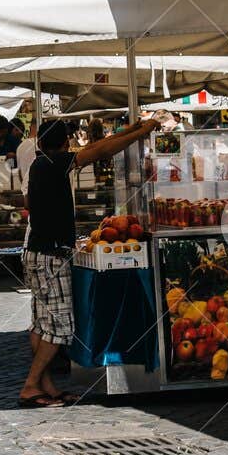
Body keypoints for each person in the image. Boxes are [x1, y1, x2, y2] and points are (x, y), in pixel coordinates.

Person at [18, 115, 161, 407]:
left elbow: (101, 145)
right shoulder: (53, 164)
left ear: (40, 142)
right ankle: (31, 385)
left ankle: (46, 386)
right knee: (61, 327)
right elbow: (101, 151)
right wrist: (141, 132)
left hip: (38, 252)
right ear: (66, 142)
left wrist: (133, 130)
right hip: (50, 256)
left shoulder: (40, 163)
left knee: (42, 324)